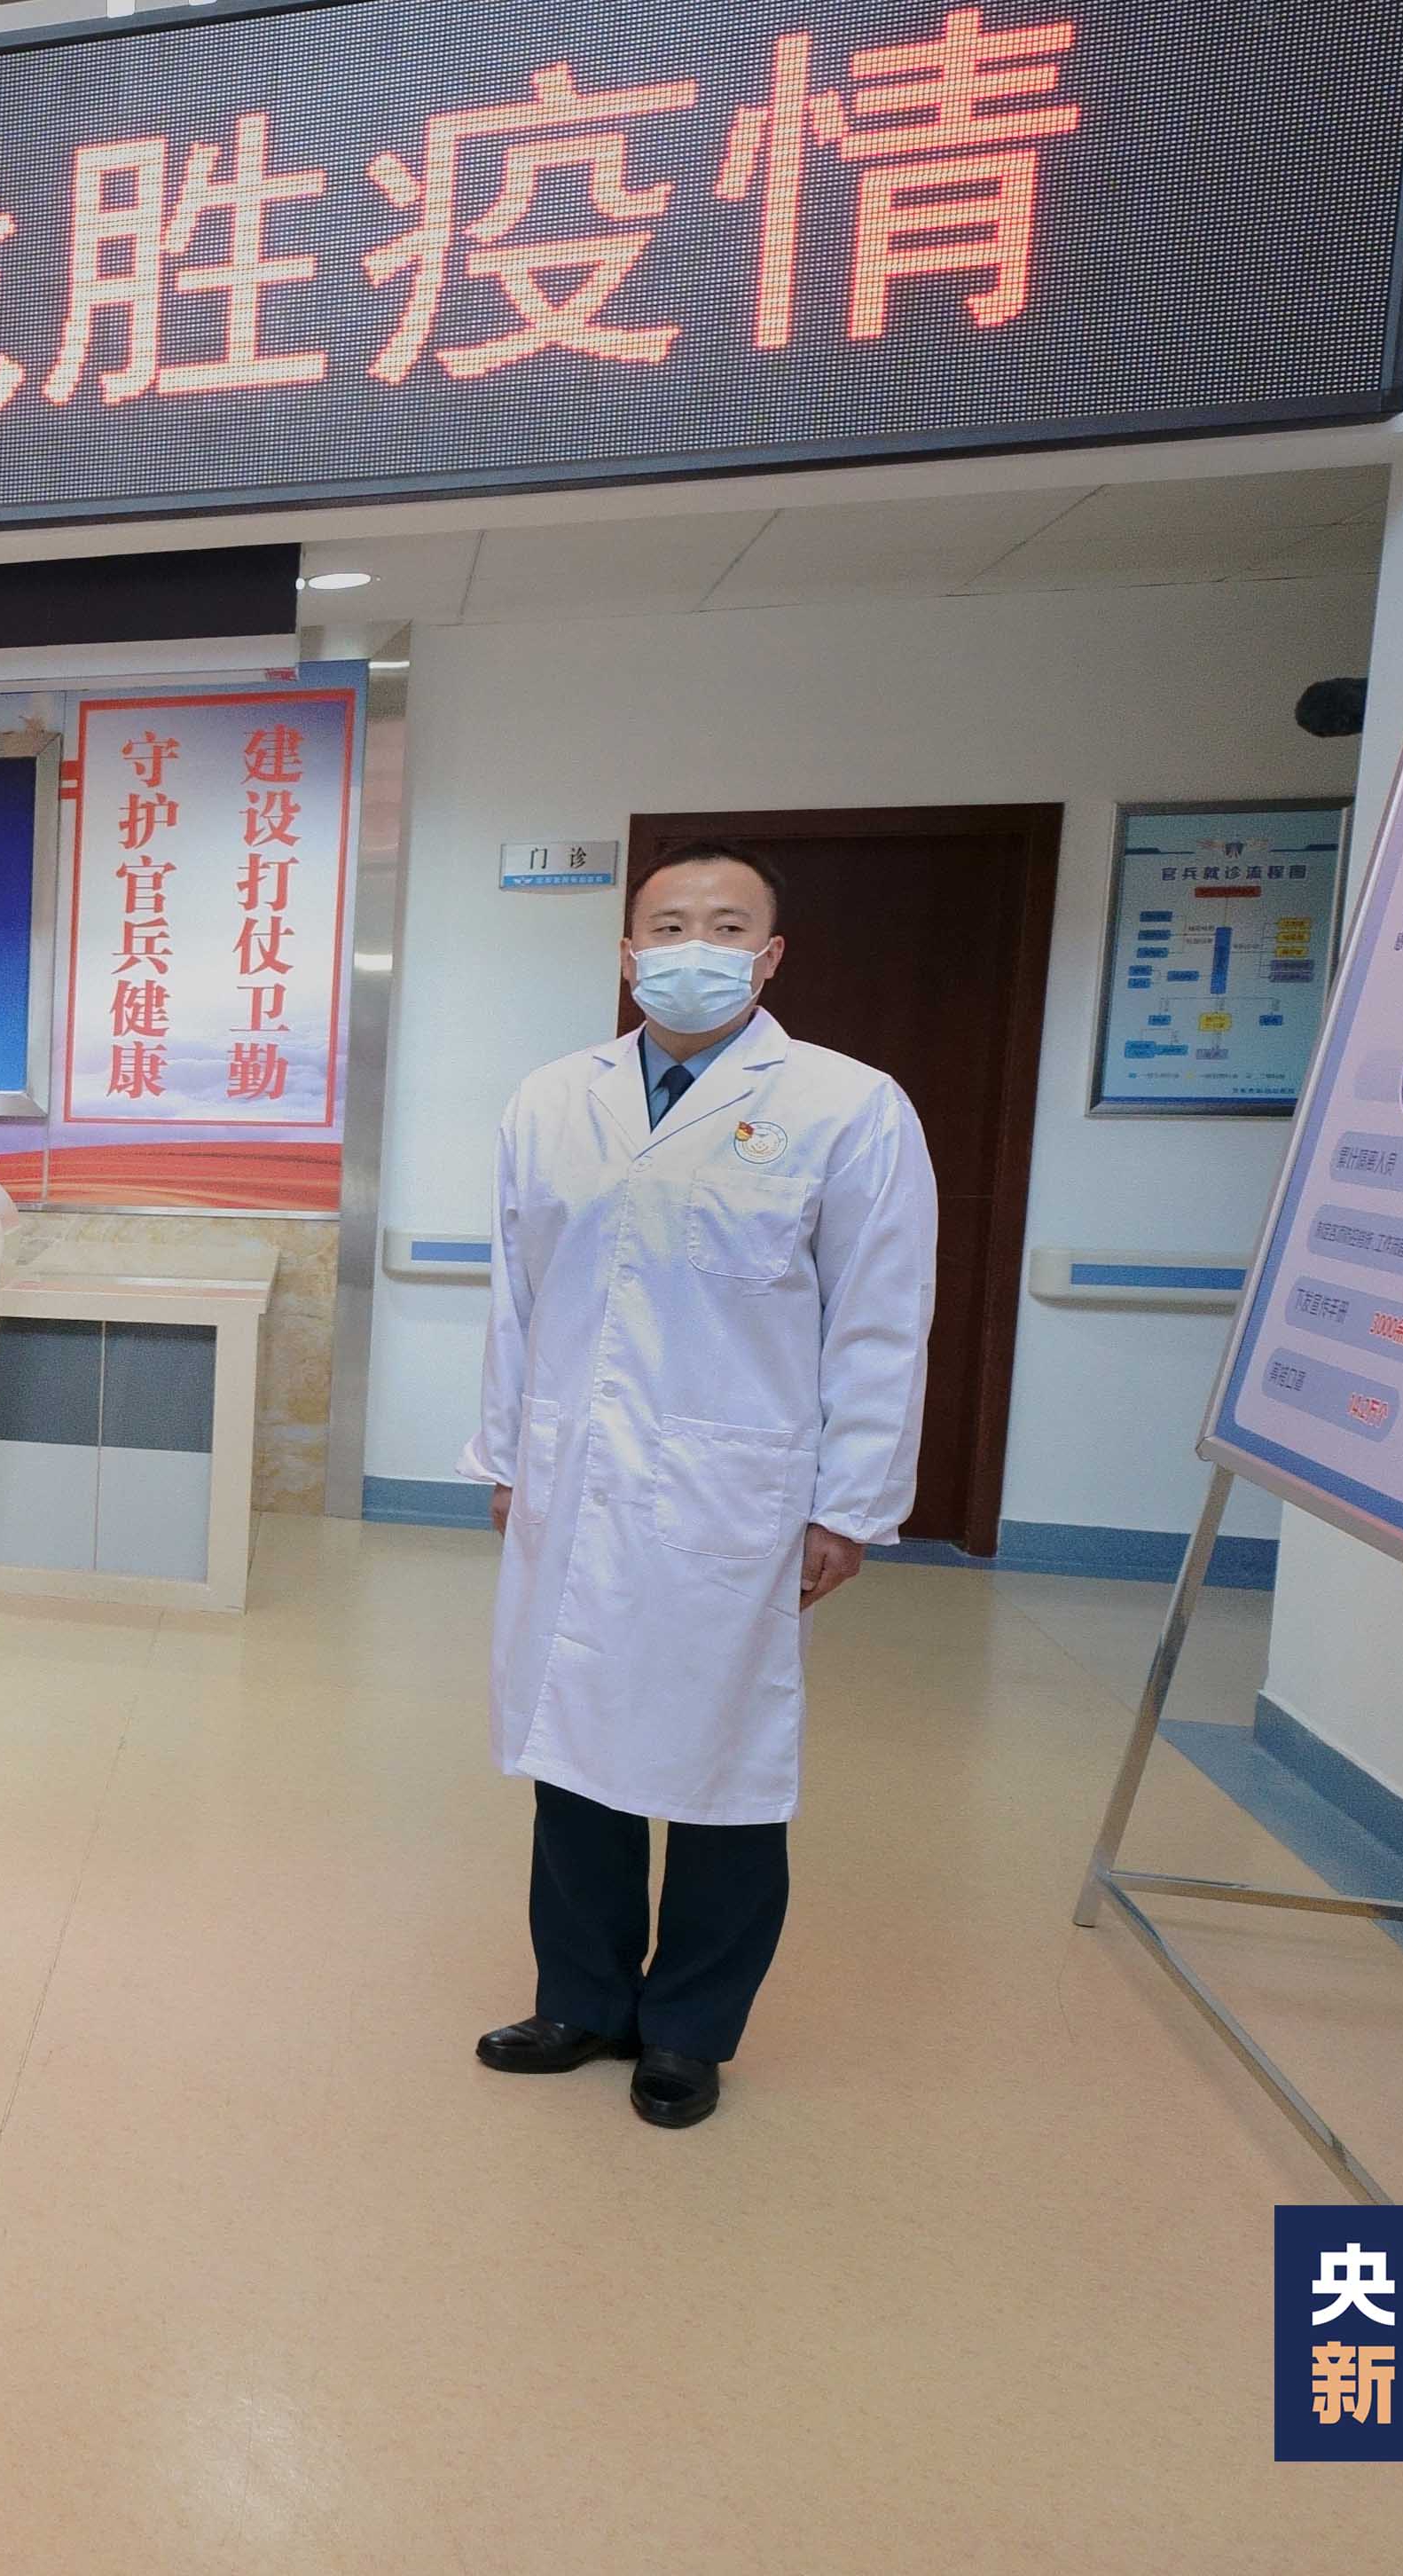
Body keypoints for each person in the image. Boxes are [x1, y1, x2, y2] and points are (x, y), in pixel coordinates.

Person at [462, 844, 936, 2132]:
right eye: (668, 924)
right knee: (574, 1738)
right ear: (628, 952)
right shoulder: (554, 1099)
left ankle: (688, 2028)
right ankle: (582, 2000)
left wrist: (850, 1504)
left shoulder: (848, 1106)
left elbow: (881, 1320)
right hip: (575, 1469)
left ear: (769, 957)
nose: (694, 947)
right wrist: (506, 1458)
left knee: (722, 1759)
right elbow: (515, 1294)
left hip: (737, 1486)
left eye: (727, 927)